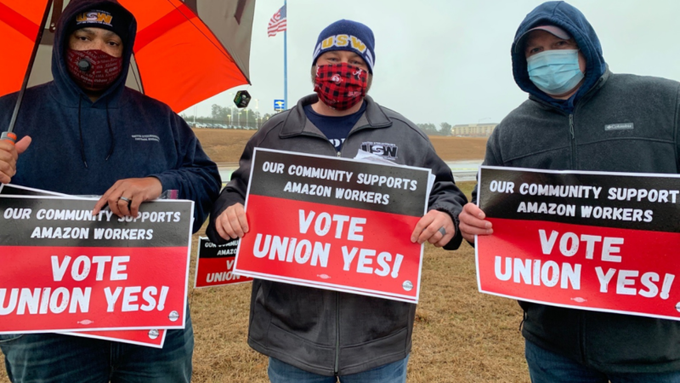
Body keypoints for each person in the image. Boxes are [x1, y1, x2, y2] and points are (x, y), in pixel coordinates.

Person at [207, 19, 467, 383]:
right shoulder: (276, 133)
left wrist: (446, 214)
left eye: (357, 64)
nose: (343, 71)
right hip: (292, 337)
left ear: (371, 74)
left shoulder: (403, 135)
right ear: (314, 68)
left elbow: (444, 190)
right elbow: (236, 189)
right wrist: (227, 210)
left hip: (377, 338)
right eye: (331, 59)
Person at [0, 0, 221, 381]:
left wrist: (161, 183)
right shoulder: (12, 112)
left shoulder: (160, 116)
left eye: (112, 42)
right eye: (84, 37)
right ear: (63, 42)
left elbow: (205, 180)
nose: (97, 51)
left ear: (126, 50)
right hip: (44, 330)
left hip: (150, 322)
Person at [459, 1, 680, 382]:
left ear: (584, 46)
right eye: (535, 50)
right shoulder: (511, 132)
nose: (547, 56)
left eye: (558, 44)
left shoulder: (663, 103)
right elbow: (491, 217)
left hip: (653, 347)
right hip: (555, 347)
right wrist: (473, 226)